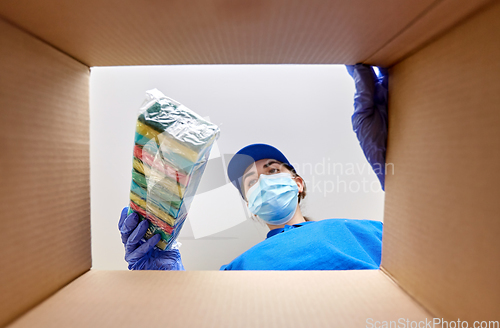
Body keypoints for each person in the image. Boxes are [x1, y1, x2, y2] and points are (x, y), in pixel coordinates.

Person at [118, 64, 388, 271]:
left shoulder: (363, 231)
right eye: (251, 181)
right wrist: (161, 281)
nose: (264, 181)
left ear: (298, 183)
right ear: (250, 204)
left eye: (272, 171)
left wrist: (404, 170)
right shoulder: (236, 270)